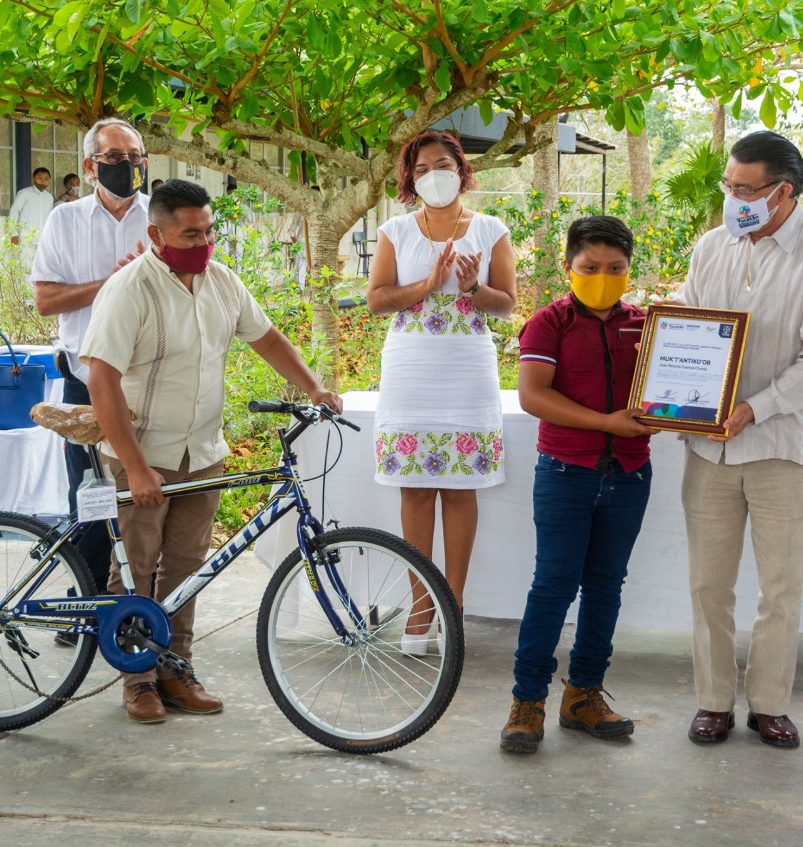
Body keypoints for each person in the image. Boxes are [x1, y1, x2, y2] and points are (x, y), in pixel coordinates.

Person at [81, 179, 341, 724]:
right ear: (155, 234)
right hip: (143, 453)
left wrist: (313, 386)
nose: (203, 243)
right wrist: (133, 466)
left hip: (202, 451)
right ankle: (138, 680)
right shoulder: (129, 289)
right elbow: (101, 380)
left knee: (187, 568)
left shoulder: (221, 281)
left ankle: (177, 671)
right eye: (189, 233)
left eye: (208, 231)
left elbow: (266, 338)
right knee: (136, 568)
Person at [675, 131, 803, 749]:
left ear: (784, 192)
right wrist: (665, 344)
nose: (734, 199)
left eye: (746, 190)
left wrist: (755, 408)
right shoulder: (711, 247)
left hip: (784, 447)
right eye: (729, 187)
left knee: (780, 586)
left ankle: (770, 704)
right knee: (707, 584)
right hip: (709, 449)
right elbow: (688, 319)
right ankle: (713, 702)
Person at [499, 216, 657, 754]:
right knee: (553, 587)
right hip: (566, 473)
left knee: (606, 587)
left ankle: (583, 695)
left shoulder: (646, 326)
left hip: (630, 474)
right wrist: (608, 422)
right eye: (590, 268)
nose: (603, 278)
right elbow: (533, 396)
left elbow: (669, 388)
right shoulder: (549, 323)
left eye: (616, 269)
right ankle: (527, 700)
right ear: (569, 266)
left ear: (629, 270)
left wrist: (675, 410)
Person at [365, 130, 517, 655]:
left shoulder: (492, 230)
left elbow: (507, 305)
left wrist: (473, 288)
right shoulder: (395, 230)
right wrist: (428, 286)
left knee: (459, 489)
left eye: (444, 163)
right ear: (411, 178)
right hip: (410, 369)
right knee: (415, 491)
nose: (436, 174)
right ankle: (419, 609)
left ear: (462, 169)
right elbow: (377, 301)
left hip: (467, 369)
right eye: (424, 167)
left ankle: (451, 607)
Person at [31, 118, 150, 603]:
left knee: (146, 498)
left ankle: (141, 603)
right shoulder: (65, 220)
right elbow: (45, 299)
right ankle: (87, 598)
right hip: (85, 382)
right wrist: (112, 283)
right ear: (90, 165)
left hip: (150, 384)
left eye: (136, 156)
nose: (128, 166)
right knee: (92, 499)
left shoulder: (159, 217)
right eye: (115, 158)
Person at [8, 167, 54, 246]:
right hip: (25, 240)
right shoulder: (24, 193)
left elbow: (49, 219)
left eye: (46, 178)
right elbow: (14, 211)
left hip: (43, 241)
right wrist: (13, 233)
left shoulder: (49, 198)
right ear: (33, 178)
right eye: (39, 178)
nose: (43, 180)